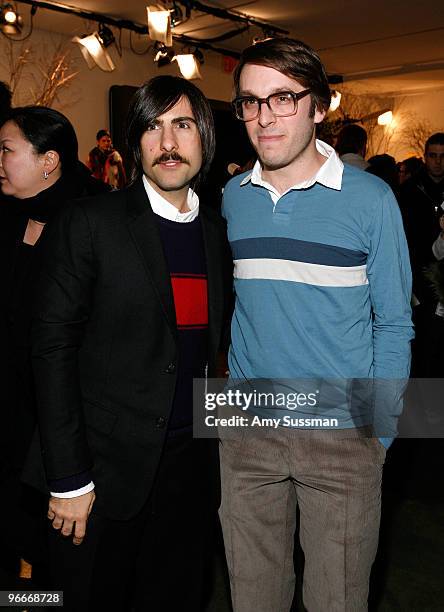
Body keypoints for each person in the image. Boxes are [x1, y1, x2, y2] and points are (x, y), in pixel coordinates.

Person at [220, 37, 413, 612]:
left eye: (283, 97)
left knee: (338, 600)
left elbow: (396, 324)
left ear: (319, 107)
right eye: (250, 102)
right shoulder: (233, 197)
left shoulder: (372, 200)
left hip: (341, 429)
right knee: (251, 598)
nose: (264, 116)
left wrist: (380, 429)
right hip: (246, 423)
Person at [24, 76, 231, 611]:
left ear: (204, 137)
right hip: (100, 474)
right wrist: (69, 478)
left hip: (189, 472)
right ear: (134, 144)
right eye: (152, 127)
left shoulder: (216, 232)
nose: (168, 142)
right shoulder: (91, 222)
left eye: (182, 125)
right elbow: (52, 349)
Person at [0, 106, 109, 584]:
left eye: (7, 151)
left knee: (55, 555)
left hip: (57, 413)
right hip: (9, 403)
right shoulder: (6, 213)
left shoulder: (91, 220)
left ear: (49, 161)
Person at [399, 133, 444, 375]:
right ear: (425, 157)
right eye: (433, 156)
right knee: (423, 351)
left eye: (442, 156)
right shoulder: (409, 191)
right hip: (421, 284)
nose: (438, 162)